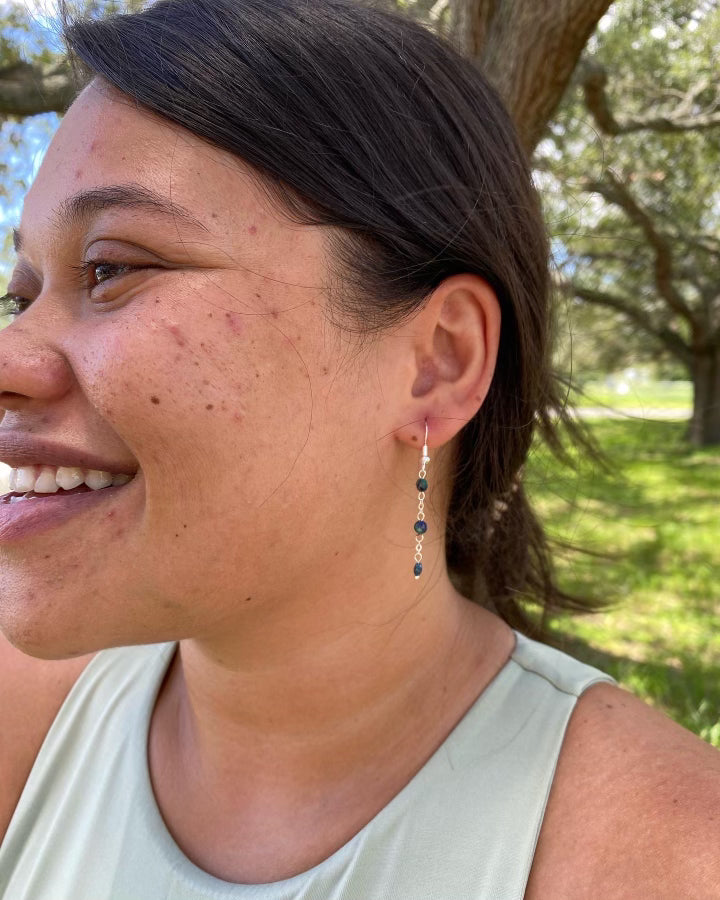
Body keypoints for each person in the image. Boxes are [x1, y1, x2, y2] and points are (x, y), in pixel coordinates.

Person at [0, 1, 717, 897]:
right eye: (22, 293)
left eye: (112, 268)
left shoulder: (670, 859)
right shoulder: (22, 720)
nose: (11, 357)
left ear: (437, 362)